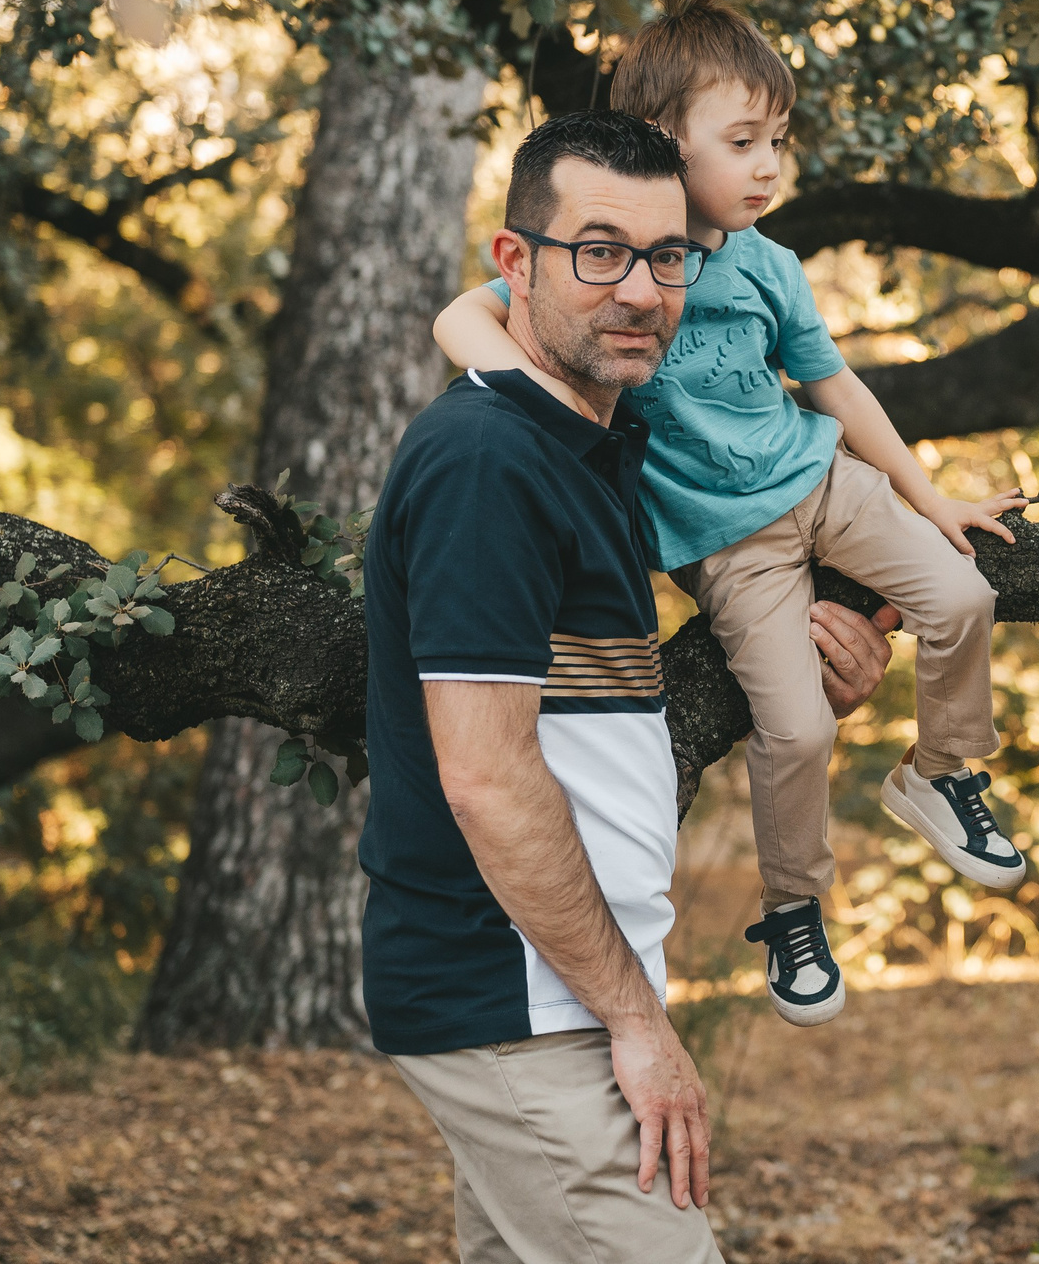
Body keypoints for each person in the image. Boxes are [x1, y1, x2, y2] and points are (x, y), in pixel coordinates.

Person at [359, 108, 897, 1264]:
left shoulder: (590, 450)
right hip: (515, 1000)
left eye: (666, 256)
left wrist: (799, 681)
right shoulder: (488, 462)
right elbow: (488, 776)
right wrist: (635, 1015)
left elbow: (591, 735)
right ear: (516, 262)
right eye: (599, 250)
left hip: (558, 998)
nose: (642, 290)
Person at [434, 0, 1028, 1028]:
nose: (768, 166)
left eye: (779, 142)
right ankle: (794, 907)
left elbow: (836, 390)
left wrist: (929, 496)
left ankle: (939, 773)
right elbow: (462, 316)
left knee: (961, 596)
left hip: (824, 484)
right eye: (744, 140)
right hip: (727, 542)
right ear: (666, 145)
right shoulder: (618, 267)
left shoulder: (773, 265)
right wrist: (539, 412)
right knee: (794, 729)